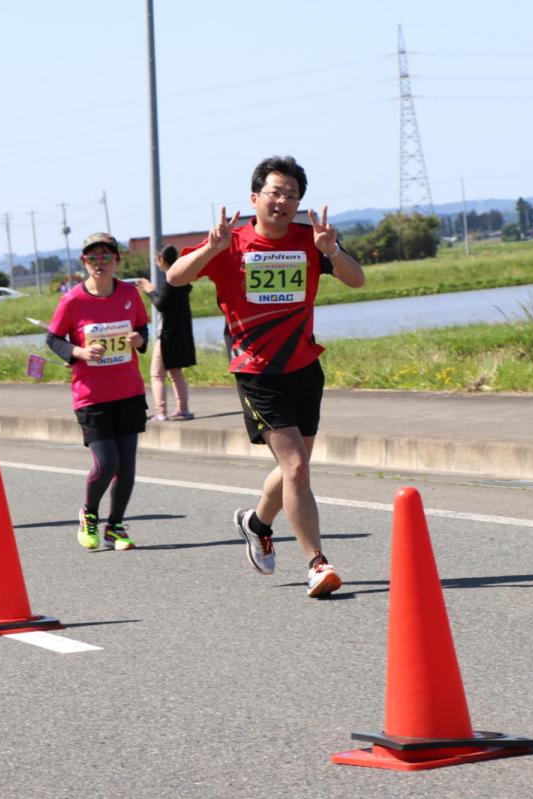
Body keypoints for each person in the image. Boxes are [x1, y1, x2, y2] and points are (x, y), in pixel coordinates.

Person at [167, 155, 366, 598]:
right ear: (255, 197)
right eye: (275, 192)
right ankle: (317, 562)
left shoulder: (309, 240)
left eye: (291, 195)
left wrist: (332, 251)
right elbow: (175, 277)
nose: (282, 201)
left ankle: (256, 523)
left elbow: (358, 281)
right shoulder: (231, 243)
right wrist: (210, 248)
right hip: (257, 371)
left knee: (296, 467)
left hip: (304, 366)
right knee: (295, 465)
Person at [46, 232, 149, 551]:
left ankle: (115, 527)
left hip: (129, 390)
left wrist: (138, 341)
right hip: (92, 396)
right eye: (93, 258)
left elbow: (143, 329)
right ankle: (89, 515)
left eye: (106, 257)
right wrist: (78, 353)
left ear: (116, 260)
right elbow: (53, 339)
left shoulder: (130, 293)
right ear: (84, 262)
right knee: (107, 464)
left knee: (127, 467)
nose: (99, 263)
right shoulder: (73, 300)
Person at [137, 245, 196, 421]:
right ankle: (182, 409)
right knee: (175, 371)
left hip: (168, 334)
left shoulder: (169, 279)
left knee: (156, 374)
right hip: (180, 332)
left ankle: (161, 412)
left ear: (161, 260)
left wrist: (149, 290)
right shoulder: (182, 279)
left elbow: (161, 304)